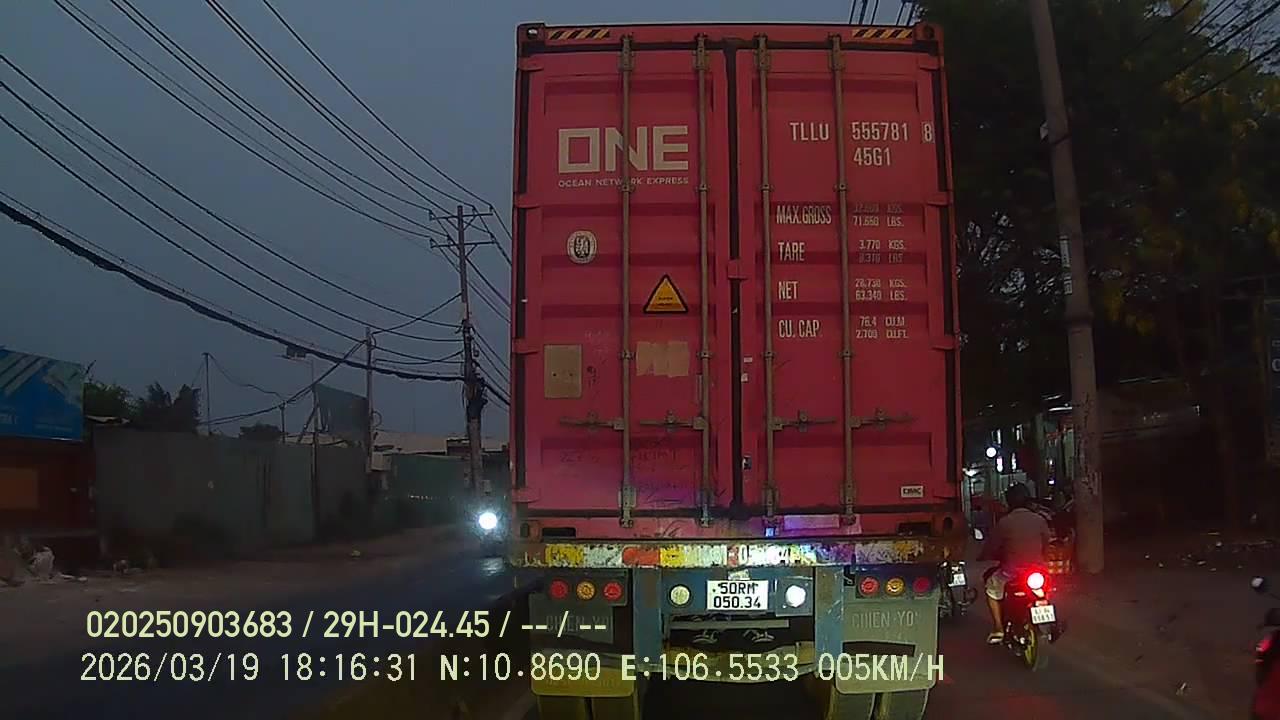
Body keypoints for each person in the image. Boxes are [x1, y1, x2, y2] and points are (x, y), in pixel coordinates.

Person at [977, 482, 1052, 644]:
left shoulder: (1005, 522)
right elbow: (1047, 542)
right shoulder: (1039, 519)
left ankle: (998, 628)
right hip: (1038, 571)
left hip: (1011, 572)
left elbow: (991, 546)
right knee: (1046, 590)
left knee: (991, 588)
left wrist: (983, 556)